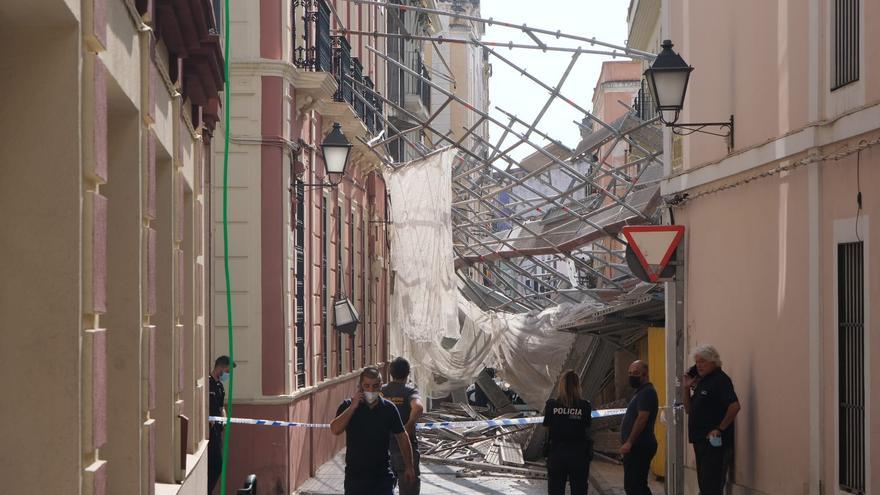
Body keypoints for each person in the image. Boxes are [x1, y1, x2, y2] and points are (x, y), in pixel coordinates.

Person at [330, 367, 416, 495]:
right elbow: (335, 429)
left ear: (381, 386)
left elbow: (402, 437)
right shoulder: (347, 406)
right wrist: (352, 407)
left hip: (382, 476)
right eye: (367, 386)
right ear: (360, 387)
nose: (371, 390)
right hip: (355, 478)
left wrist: (409, 466)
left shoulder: (388, 409)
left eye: (375, 386)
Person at [682, 345, 741, 495]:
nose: (698, 365)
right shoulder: (702, 382)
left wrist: (719, 429)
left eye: (702, 361)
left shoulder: (720, 380)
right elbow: (689, 409)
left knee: (711, 487)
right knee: (705, 486)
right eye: (697, 362)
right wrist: (686, 389)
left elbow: (734, 406)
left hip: (715, 444)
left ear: (713, 361)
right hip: (700, 441)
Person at [542, 370, 593, 495]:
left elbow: (547, 427)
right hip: (579, 454)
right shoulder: (585, 406)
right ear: (578, 386)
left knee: (555, 489)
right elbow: (587, 427)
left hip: (557, 453)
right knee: (579, 489)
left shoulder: (551, 405)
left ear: (561, 385)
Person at [381, 357, 424, 495]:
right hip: (405, 449)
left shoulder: (381, 392)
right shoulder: (409, 391)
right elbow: (418, 407)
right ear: (408, 373)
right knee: (408, 488)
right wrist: (409, 425)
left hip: (382, 449)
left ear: (390, 372)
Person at [619, 360, 659, 495]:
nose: (632, 376)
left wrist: (629, 442)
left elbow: (642, 418)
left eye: (635, 373)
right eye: (630, 373)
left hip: (639, 446)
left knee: (635, 487)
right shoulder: (640, 392)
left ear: (645, 374)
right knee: (635, 486)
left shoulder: (647, 392)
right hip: (636, 447)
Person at [208, 355, 235, 494]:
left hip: (217, 431)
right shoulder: (208, 383)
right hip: (208, 432)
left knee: (217, 465)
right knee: (215, 465)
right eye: (228, 371)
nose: (228, 374)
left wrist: (224, 420)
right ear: (220, 367)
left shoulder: (219, 386)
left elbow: (220, 407)